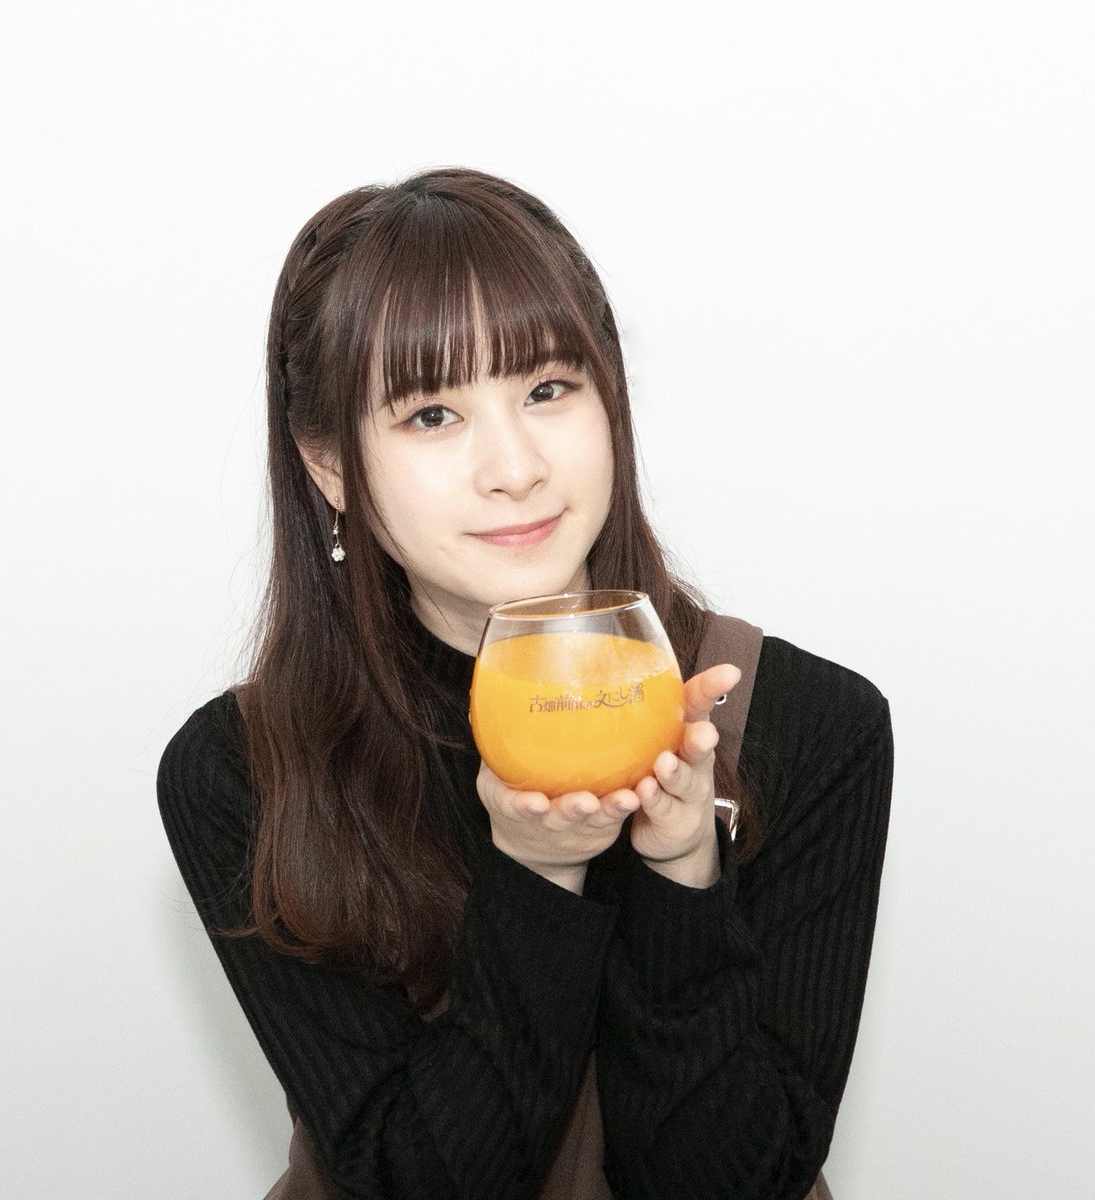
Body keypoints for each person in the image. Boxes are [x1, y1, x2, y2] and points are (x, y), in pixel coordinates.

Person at [157, 167, 893, 1200]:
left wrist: (683, 873)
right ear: (327, 465)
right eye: (431, 414)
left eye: (547, 389)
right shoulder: (246, 771)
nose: (513, 467)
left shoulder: (809, 724)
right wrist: (538, 876)